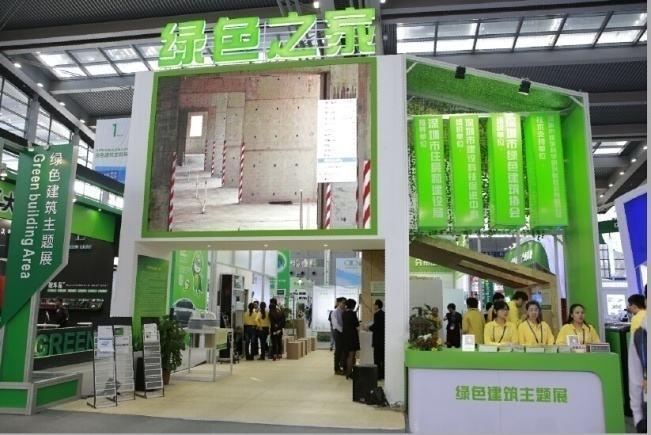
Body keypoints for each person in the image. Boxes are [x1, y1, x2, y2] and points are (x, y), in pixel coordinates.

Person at [628, 287, 647, 433]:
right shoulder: (640, 333)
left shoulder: (639, 328)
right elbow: (635, 376)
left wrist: (637, 416)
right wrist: (638, 418)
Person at [342, 299, 360, 379]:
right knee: (352, 355)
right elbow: (357, 325)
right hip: (352, 336)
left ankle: (348, 373)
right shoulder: (352, 314)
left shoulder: (344, 313)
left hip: (345, 336)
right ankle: (350, 373)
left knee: (349, 355)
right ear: (353, 306)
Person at [368, 299, 385, 380]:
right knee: (382, 358)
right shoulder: (383, 314)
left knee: (377, 358)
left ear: (377, 306)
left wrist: (368, 328)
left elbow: (376, 326)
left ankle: (377, 375)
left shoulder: (377, 314)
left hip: (377, 340)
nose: (373, 306)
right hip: (382, 340)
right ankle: (382, 374)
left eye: (374, 304)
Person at [331, 297, 346, 375]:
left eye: (345, 303)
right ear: (339, 303)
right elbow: (335, 324)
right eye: (343, 303)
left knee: (343, 350)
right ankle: (336, 369)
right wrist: (343, 330)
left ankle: (342, 366)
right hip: (338, 332)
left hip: (344, 333)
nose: (344, 304)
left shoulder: (344, 311)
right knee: (338, 350)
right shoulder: (334, 312)